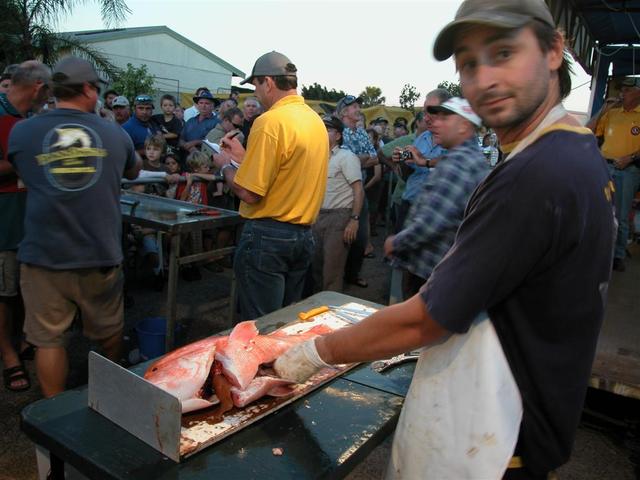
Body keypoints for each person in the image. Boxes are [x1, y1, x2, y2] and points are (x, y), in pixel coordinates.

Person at [274, 1, 615, 478]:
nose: (485, 80)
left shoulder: (535, 173)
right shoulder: (577, 147)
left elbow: (424, 321)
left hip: (495, 439)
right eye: (468, 65)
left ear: (554, 50)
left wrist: (316, 352)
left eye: (503, 52)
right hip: (535, 413)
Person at [8, 56, 141, 398]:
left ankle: (54, 417)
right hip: (98, 254)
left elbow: (22, 168)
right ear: (87, 89)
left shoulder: (23, 131)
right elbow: (134, 172)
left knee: (48, 340)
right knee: (108, 332)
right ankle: (106, 392)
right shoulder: (114, 132)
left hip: (43, 256)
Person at [211, 51, 329, 320]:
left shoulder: (270, 122)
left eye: (256, 85)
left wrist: (225, 165)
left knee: (259, 327)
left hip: (268, 237)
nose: (256, 93)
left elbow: (249, 192)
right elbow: (288, 170)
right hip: (302, 237)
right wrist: (243, 157)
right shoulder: (314, 121)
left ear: (268, 82)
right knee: (285, 321)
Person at [385, 97, 488, 299]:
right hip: (447, 271)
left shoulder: (457, 164)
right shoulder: (473, 160)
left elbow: (431, 224)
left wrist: (395, 242)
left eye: (445, 118)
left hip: (429, 271)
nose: (435, 123)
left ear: (464, 126)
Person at [0, 60, 51, 392]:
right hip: (4, 221)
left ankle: (21, 341)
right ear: (37, 87)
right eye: (47, 92)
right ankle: (9, 356)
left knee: (23, 288)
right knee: (3, 292)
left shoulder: (26, 120)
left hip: (29, 219)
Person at [591, 77, 640, 272]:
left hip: (627, 171)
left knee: (620, 214)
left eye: (627, 90)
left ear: (638, 92)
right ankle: (596, 251)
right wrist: (604, 108)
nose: (622, 93)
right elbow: (590, 129)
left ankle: (617, 255)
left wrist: (631, 157)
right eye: (622, 90)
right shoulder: (612, 113)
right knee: (598, 210)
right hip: (605, 167)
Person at [312, 115, 364, 292]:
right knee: (315, 268)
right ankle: (314, 312)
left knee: (332, 271)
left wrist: (354, 219)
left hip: (339, 217)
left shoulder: (346, 157)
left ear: (338, 135)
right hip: (316, 216)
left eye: (328, 130)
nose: (322, 133)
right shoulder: (316, 156)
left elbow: (358, 189)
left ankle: (330, 313)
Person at [336, 94, 378, 288]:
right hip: (340, 191)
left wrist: (354, 159)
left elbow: (374, 158)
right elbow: (344, 161)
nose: (358, 109)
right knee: (338, 235)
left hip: (358, 189)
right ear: (344, 111)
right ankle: (337, 277)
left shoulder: (361, 132)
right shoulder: (336, 132)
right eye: (354, 107)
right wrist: (358, 159)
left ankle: (352, 274)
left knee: (360, 237)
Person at [395, 89, 450, 230]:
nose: (425, 118)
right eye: (425, 112)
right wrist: (403, 159)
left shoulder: (457, 136)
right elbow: (409, 172)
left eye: (430, 111)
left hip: (435, 212)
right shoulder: (423, 137)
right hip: (410, 203)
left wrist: (423, 160)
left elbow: (455, 161)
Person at [179, 90, 220, 157]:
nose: (203, 106)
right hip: (185, 159)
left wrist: (196, 142)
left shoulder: (217, 123)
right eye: (201, 103)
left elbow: (215, 142)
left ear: (212, 106)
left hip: (205, 160)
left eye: (207, 103)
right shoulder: (190, 121)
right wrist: (189, 147)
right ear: (197, 105)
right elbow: (181, 140)